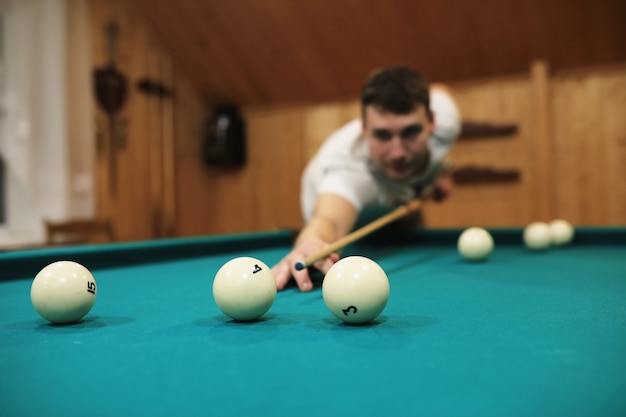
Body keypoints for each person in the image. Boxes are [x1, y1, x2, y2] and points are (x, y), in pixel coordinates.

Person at [272, 66, 461, 292]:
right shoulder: (348, 168)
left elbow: (441, 90)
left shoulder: (446, 122)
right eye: (382, 135)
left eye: (410, 132)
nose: (398, 152)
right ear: (364, 129)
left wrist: (442, 171)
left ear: (432, 120)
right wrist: (310, 245)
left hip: (397, 213)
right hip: (344, 229)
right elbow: (330, 220)